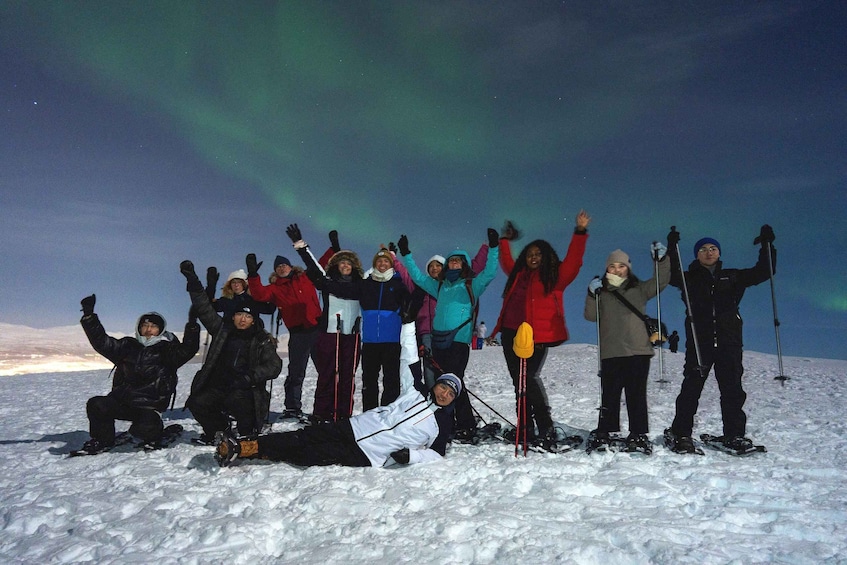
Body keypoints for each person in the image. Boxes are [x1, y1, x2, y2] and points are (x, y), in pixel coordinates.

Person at [214, 318, 462, 469]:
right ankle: (245, 447)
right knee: (305, 436)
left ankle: (258, 451)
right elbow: (408, 358)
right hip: (355, 426)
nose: (444, 394)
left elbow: (437, 454)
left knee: (311, 455)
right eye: (443, 387)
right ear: (435, 384)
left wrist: (412, 456)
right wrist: (408, 325)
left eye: (450, 394)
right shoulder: (414, 392)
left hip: (371, 453)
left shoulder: (442, 423)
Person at [663, 225, 776, 454]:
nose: (709, 252)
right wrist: (672, 249)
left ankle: (734, 435)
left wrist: (767, 246)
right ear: (697, 254)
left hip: (729, 342)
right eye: (703, 249)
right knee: (692, 388)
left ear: (719, 252)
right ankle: (680, 432)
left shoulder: (733, 276)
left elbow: (764, 271)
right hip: (699, 341)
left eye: (713, 248)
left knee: (732, 390)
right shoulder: (688, 279)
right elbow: (669, 274)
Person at [492, 211, 591, 447]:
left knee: (528, 378)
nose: (533, 257)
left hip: (537, 335)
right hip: (510, 332)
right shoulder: (518, 275)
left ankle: (546, 427)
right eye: (529, 254)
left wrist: (579, 232)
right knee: (519, 381)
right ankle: (525, 427)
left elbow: (574, 261)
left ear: (546, 256)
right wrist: (504, 241)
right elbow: (506, 262)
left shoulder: (555, 276)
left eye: (538, 254)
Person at [398, 228, 500, 442]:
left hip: (459, 342)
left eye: (458, 261)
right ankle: (447, 422)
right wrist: (406, 254)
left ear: (464, 265)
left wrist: (493, 248)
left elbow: (490, 272)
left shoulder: (472, 285)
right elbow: (417, 276)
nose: (454, 263)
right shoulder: (440, 286)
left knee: (454, 382)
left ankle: (466, 425)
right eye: (451, 261)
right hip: (438, 340)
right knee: (441, 383)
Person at [75, 294, 199, 454]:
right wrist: (89, 316)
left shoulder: (167, 351)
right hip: (122, 402)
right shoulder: (127, 346)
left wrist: (192, 324)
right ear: (139, 328)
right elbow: (102, 342)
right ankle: (102, 439)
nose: (148, 330)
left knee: (144, 428)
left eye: (153, 326)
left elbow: (189, 349)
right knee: (96, 404)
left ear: (160, 330)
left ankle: (155, 432)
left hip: (148, 408)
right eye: (145, 326)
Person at [180, 260, 282, 443]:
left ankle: (247, 429)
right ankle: (218, 430)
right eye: (239, 315)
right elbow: (204, 308)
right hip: (220, 385)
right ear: (233, 316)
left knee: (239, 405)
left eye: (248, 316)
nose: (243, 319)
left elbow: (274, 366)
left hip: (245, 389)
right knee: (197, 403)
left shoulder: (260, 339)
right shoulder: (222, 331)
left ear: (253, 320)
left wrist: (250, 377)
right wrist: (193, 281)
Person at [583, 244, 670, 453]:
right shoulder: (601, 292)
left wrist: (661, 259)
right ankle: (607, 430)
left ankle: (638, 434)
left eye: (621, 266)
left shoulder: (638, 289)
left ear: (628, 268)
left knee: (636, 394)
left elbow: (661, 281)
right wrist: (590, 294)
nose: (616, 270)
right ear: (606, 269)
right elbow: (590, 316)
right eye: (612, 266)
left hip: (638, 350)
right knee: (610, 394)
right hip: (611, 350)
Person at [287, 223, 363, 424]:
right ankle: (322, 413)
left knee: (348, 376)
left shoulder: (362, 285)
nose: (345, 266)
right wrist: (300, 245)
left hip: (352, 335)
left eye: (348, 263)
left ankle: (343, 414)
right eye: (342, 263)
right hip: (330, 332)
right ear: (336, 266)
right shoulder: (327, 281)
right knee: (328, 374)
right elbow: (313, 266)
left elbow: (383, 275)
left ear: (353, 266)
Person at [245, 249, 321, 420]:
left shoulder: (305, 277)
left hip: (317, 330)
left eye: (284, 265)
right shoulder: (274, 288)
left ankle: (327, 405)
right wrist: (253, 274)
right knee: (296, 372)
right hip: (298, 333)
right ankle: (292, 407)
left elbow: (319, 265)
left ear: (291, 266)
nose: (281, 268)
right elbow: (259, 295)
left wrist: (333, 247)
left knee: (325, 370)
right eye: (278, 266)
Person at [210, 268, 275, 323]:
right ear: (230, 285)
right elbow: (210, 307)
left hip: (251, 334)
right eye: (233, 282)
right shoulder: (226, 300)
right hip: (230, 334)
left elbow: (269, 309)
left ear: (244, 284)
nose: (236, 285)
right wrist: (211, 288)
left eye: (239, 282)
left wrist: (275, 288)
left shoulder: (252, 300)